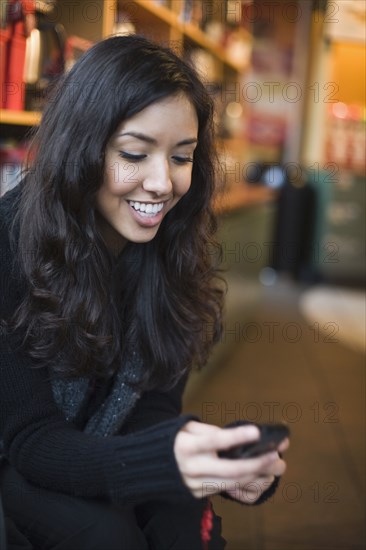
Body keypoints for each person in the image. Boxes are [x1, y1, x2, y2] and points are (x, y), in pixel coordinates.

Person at [0, 35, 289, 550]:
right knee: (105, 534)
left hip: (104, 446)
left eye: (182, 157)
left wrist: (209, 458)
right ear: (80, 148)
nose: (161, 184)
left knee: (185, 521)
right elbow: (30, 441)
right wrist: (159, 459)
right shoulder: (11, 240)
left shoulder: (171, 245)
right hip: (22, 457)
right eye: (134, 154)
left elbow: (152, 403)